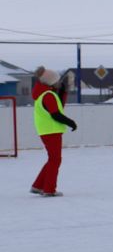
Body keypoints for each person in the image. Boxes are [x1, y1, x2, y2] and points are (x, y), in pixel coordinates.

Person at [29, 67, 77, 197]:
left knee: (53, 159)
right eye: (57, 80)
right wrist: (70, 122)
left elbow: (58, 106)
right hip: (51, 131)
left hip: (48, 131)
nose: (59, 82)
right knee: (55, 160)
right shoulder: (48, 95)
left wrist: (62, 92)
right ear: (51, 82)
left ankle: (38, 186)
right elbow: (56, 114)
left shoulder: (45, 94)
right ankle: (49, 189)